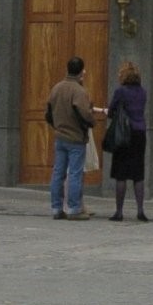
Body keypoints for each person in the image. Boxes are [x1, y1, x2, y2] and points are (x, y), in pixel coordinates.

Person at [45, 56, 96, 220]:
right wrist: (90, 123)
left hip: (60, 136)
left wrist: (57, 126)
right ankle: (74, 208)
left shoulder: (56, 88)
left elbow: (48, 112)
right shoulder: (78, 91)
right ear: (81, 71)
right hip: (75, 138)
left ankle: (56, 208)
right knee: (75, 173)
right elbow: (84, 114)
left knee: (58, 172)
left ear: (67, 69)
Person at [105, 60, 149, 222]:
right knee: (138, 174)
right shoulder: (143, 92)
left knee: (121, 173)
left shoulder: (120, 91)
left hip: (124, 133)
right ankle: (140, 209)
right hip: (140, 133)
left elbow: (111, 112)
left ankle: (119, 211)